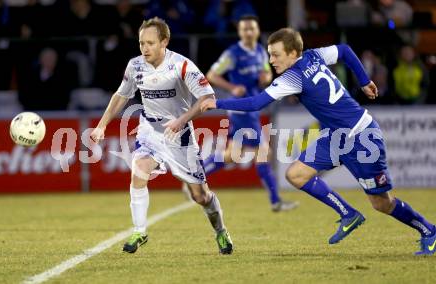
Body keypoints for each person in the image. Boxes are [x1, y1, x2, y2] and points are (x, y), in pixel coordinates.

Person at [200, 27, 436, 255]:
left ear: (293, 53)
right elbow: (344, 50)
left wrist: (216, 103)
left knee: (382, 203)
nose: (271, 60)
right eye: (270, 54)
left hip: (361, 137)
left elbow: (255, 103)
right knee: (296, 174)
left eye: (276, 54)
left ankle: (429, 231)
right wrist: (363, 81)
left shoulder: (292, 77)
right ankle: (348, 214)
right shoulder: (314, 56)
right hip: (335, 137)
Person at [90, 17, 233, 255]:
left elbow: (207, 99)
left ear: (164, 42)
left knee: (200, 195)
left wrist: (182, 120)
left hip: (180, 136)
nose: (144, 48)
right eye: (141, 43)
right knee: (139, 168)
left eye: (150, 43)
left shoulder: (182, 66)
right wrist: (102, 125)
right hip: (150, 131)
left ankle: (221, 231)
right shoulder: (135, 66)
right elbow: (121, 95)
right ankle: (139, 231)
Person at [201, 15, 298, 212]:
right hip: (240, 108)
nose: (248, 32)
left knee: (231, 154)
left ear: (257, 30)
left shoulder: (262, 52)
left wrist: (266, 78)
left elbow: (267, 74)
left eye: (251, 29)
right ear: (239, 32)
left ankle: (195, 174)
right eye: (244, 29)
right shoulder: (233, 54)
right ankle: (275, 201)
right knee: (263, 152)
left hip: (251, 109)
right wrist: (232, 87)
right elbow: (211, 75)